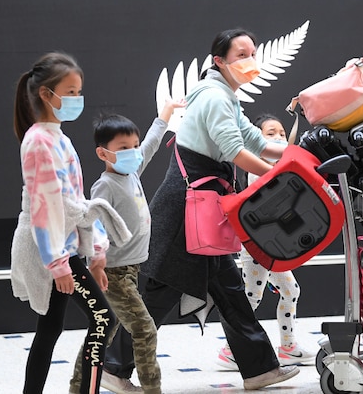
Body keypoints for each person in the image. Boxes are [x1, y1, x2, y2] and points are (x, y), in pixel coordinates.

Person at [104, 29, 300, 391]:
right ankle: (114, 368)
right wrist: (281, 175)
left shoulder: (224, 95)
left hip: (201, 210)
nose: (250, 60)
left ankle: (259, 369)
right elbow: (235, 151)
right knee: (160, 292)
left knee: (229, 291)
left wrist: (295, 158)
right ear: (219, 61)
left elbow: (256, 141)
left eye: (252, 53)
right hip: (185, 212)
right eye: (241, 54)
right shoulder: (214, 97)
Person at [10, 51, 133, 394]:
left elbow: (76, 202)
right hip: (50, 249)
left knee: (50, 327)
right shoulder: (38, 141)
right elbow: (44, 207)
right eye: (70, 91)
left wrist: (95, 252)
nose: (77, 99)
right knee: (102, 319)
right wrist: (59, 263)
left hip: (63, 247)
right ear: (46, 95)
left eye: (79, 91)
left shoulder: (58, 138)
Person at [69, 98, 183, 394]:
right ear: (102, 153)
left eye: (133, 145)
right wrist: (97, 262)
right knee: (144, 330)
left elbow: (151, 144)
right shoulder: (105, 185)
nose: (132, 152)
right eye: (123, 148)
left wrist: (166, 115)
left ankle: (78, 386)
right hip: (114, 273)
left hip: (130, 270)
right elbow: (93, 224)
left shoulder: (132, 171)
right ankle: (151, 389)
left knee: (102, 331)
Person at [216, 113, 316, 370]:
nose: (279, 138)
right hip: (256, 247)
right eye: (270, 134)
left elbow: (290, 150)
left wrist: (296, 118)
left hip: (271, 245)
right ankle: (231, 351)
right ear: (255, 140)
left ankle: (288, 347)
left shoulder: (276, 165)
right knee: (251, 298)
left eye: (281, 133)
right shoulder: (257, 169)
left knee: (289, 291)